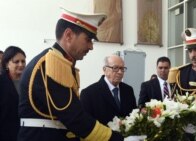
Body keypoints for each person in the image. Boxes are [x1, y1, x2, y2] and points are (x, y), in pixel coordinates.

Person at [17, 1, 145, 141]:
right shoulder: (50, 64)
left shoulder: (59, 63)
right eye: (88, 39)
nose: (91, 47)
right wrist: (119, 140)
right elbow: (75, 118)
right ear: (69, 35)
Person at [80, 55, 137, 125]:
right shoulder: (89, 93)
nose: (120, 72)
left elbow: (134, 115)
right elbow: (86, 123)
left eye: (122, 68)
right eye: (115, 68)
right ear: (105, 70)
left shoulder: (128, 90)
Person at [0, 46, 26, 141]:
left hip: (24, 134)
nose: (21, 64)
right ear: (7, 64)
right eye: (16, 61)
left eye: (23, 61)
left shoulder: (29, 82)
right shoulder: (1, 82)